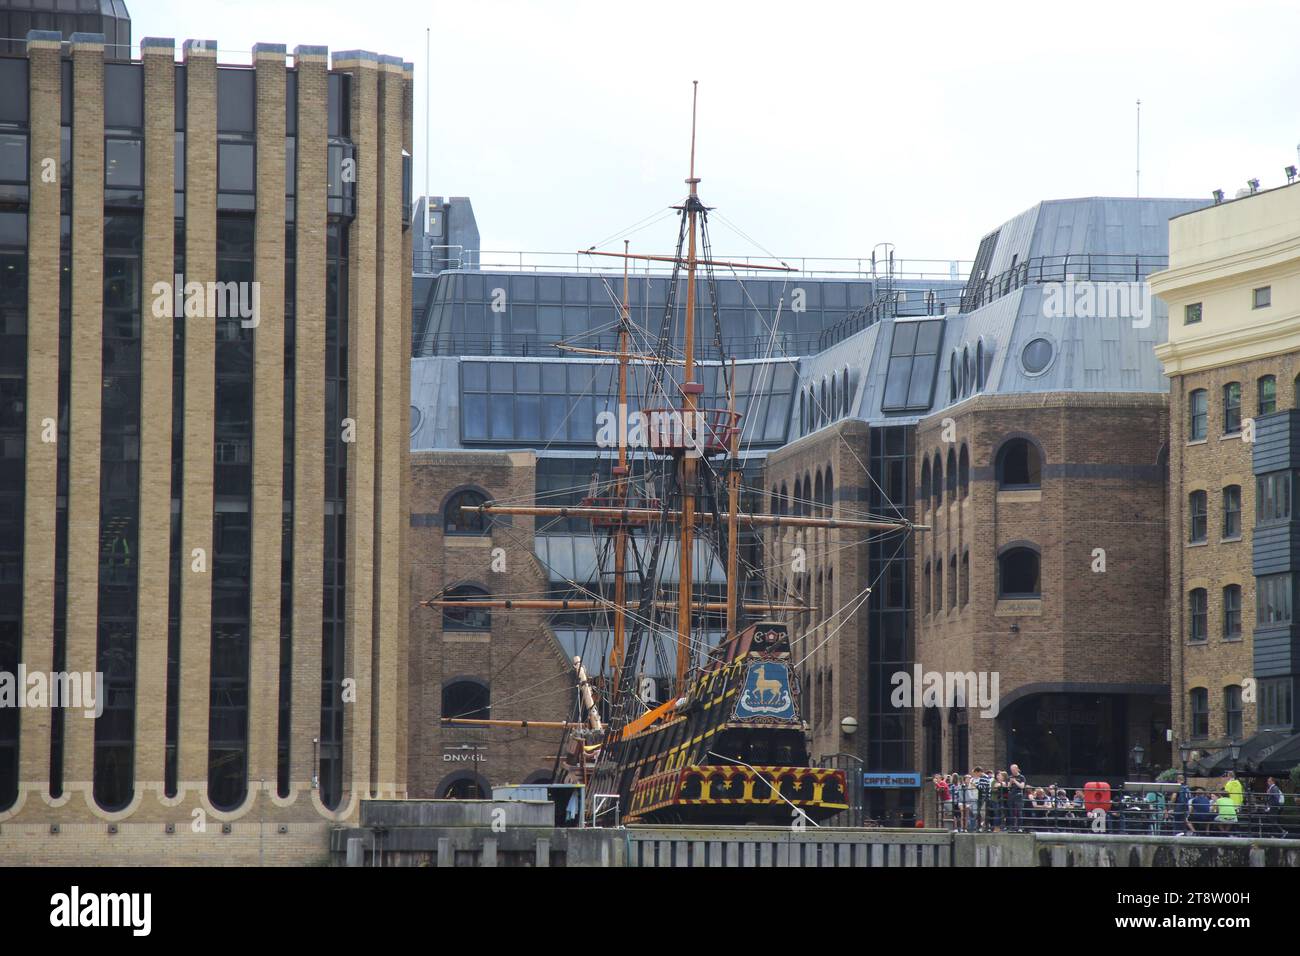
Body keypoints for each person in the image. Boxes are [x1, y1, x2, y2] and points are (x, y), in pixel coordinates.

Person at [1008, 763, 1026, 832]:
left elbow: (1022, 786)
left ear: (1017, 769)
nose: (1012, 771)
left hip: (1019, 796)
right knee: (1011, 812)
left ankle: (1020, 827)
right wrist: (1010, 782)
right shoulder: (1010, 777)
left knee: (1019, 812)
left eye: (1013, 769)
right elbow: (1008, 788)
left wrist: (1015, 781)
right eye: (1011, 770)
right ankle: (1013, 827)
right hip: (1011, 796)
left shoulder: (1021, 777)